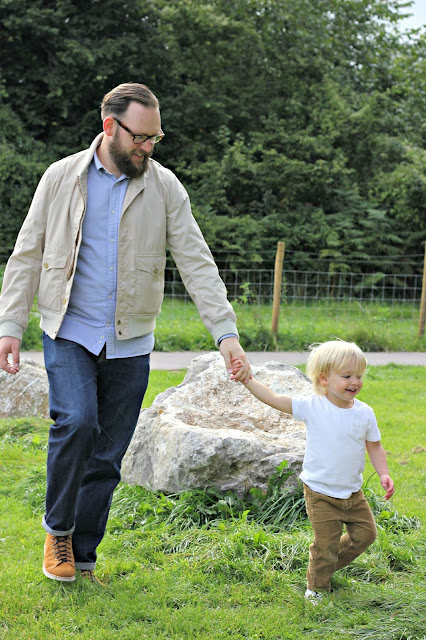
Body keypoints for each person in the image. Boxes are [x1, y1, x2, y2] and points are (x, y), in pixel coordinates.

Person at [0, 82, 251, 584]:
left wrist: (226, 333)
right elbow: (28, 251)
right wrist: (10, 324)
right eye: (141, 137)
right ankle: (58, 530)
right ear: (110, 126)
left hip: (130, 340)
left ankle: (82, 556)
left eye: (156, 138)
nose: (148, 147)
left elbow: (196, 261)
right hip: (68, 329)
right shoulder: (60, 177)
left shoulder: (165, 187)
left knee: (108, 455)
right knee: (77, 422)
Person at [231, 340, 394, 603]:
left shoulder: (364, 413)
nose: (355, 381)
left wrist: (384, 473)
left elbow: (374, 446)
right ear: (324, 379)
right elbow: (274, 399)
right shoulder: (313, 406)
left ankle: (322, 567)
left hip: (353, 493)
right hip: (320, 493)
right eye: (347, 376)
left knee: (365, 535)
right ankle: (316, 588)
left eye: (359, 376)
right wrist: (247, 380)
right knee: (325, 544)